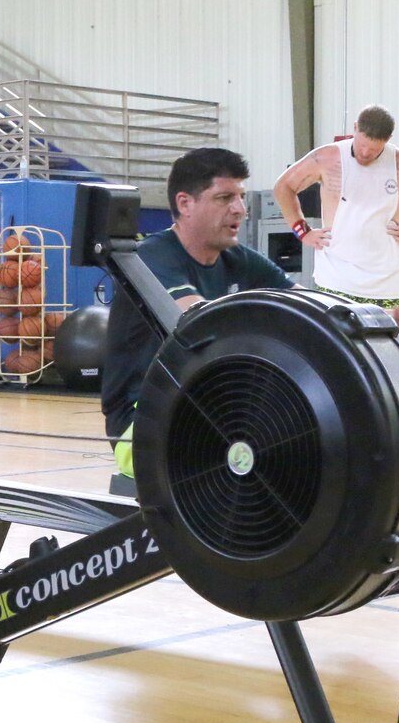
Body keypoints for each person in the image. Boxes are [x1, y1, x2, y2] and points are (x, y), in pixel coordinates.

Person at [101, 147, 296, 482]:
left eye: (241, 197)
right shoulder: (148, 257)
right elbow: (202, 323)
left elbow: (306, 306)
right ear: (185, 204)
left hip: (214, 409)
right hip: (142, 422)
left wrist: (372, 318)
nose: (240, 209)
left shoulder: (239, 260)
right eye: (224, 198)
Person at [270, 104, 399, 353]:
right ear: (355, 129)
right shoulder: (328, 157)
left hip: (385, 277)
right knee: (334, 350)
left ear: (388, 141)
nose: (366, 153)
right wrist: (302, 231)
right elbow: (284, 187)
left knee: (394, 350)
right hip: (336, 275)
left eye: (374, 149)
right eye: (361, 146)